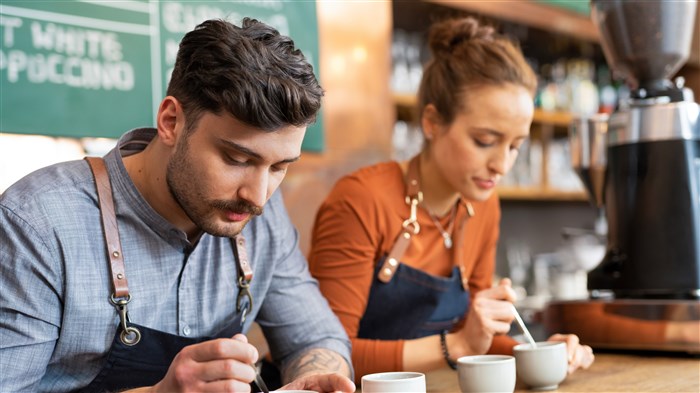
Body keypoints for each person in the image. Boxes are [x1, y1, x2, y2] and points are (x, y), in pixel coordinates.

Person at [0, 18, 354, 393]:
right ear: (171, 121)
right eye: (237, 159)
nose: (257, 195)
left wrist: (315, 378)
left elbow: (316, 338)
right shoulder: (38, 224)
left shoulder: (259, 214)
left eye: (279, 167)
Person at [307, 17, 595, 381]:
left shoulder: (483, 205)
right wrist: (454, 346)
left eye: (516, 146)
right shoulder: (361, 200)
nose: (502, 164)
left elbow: (476, 337)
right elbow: (323, 355)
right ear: (432, 122)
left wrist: (538, 354)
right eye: (485, 141)